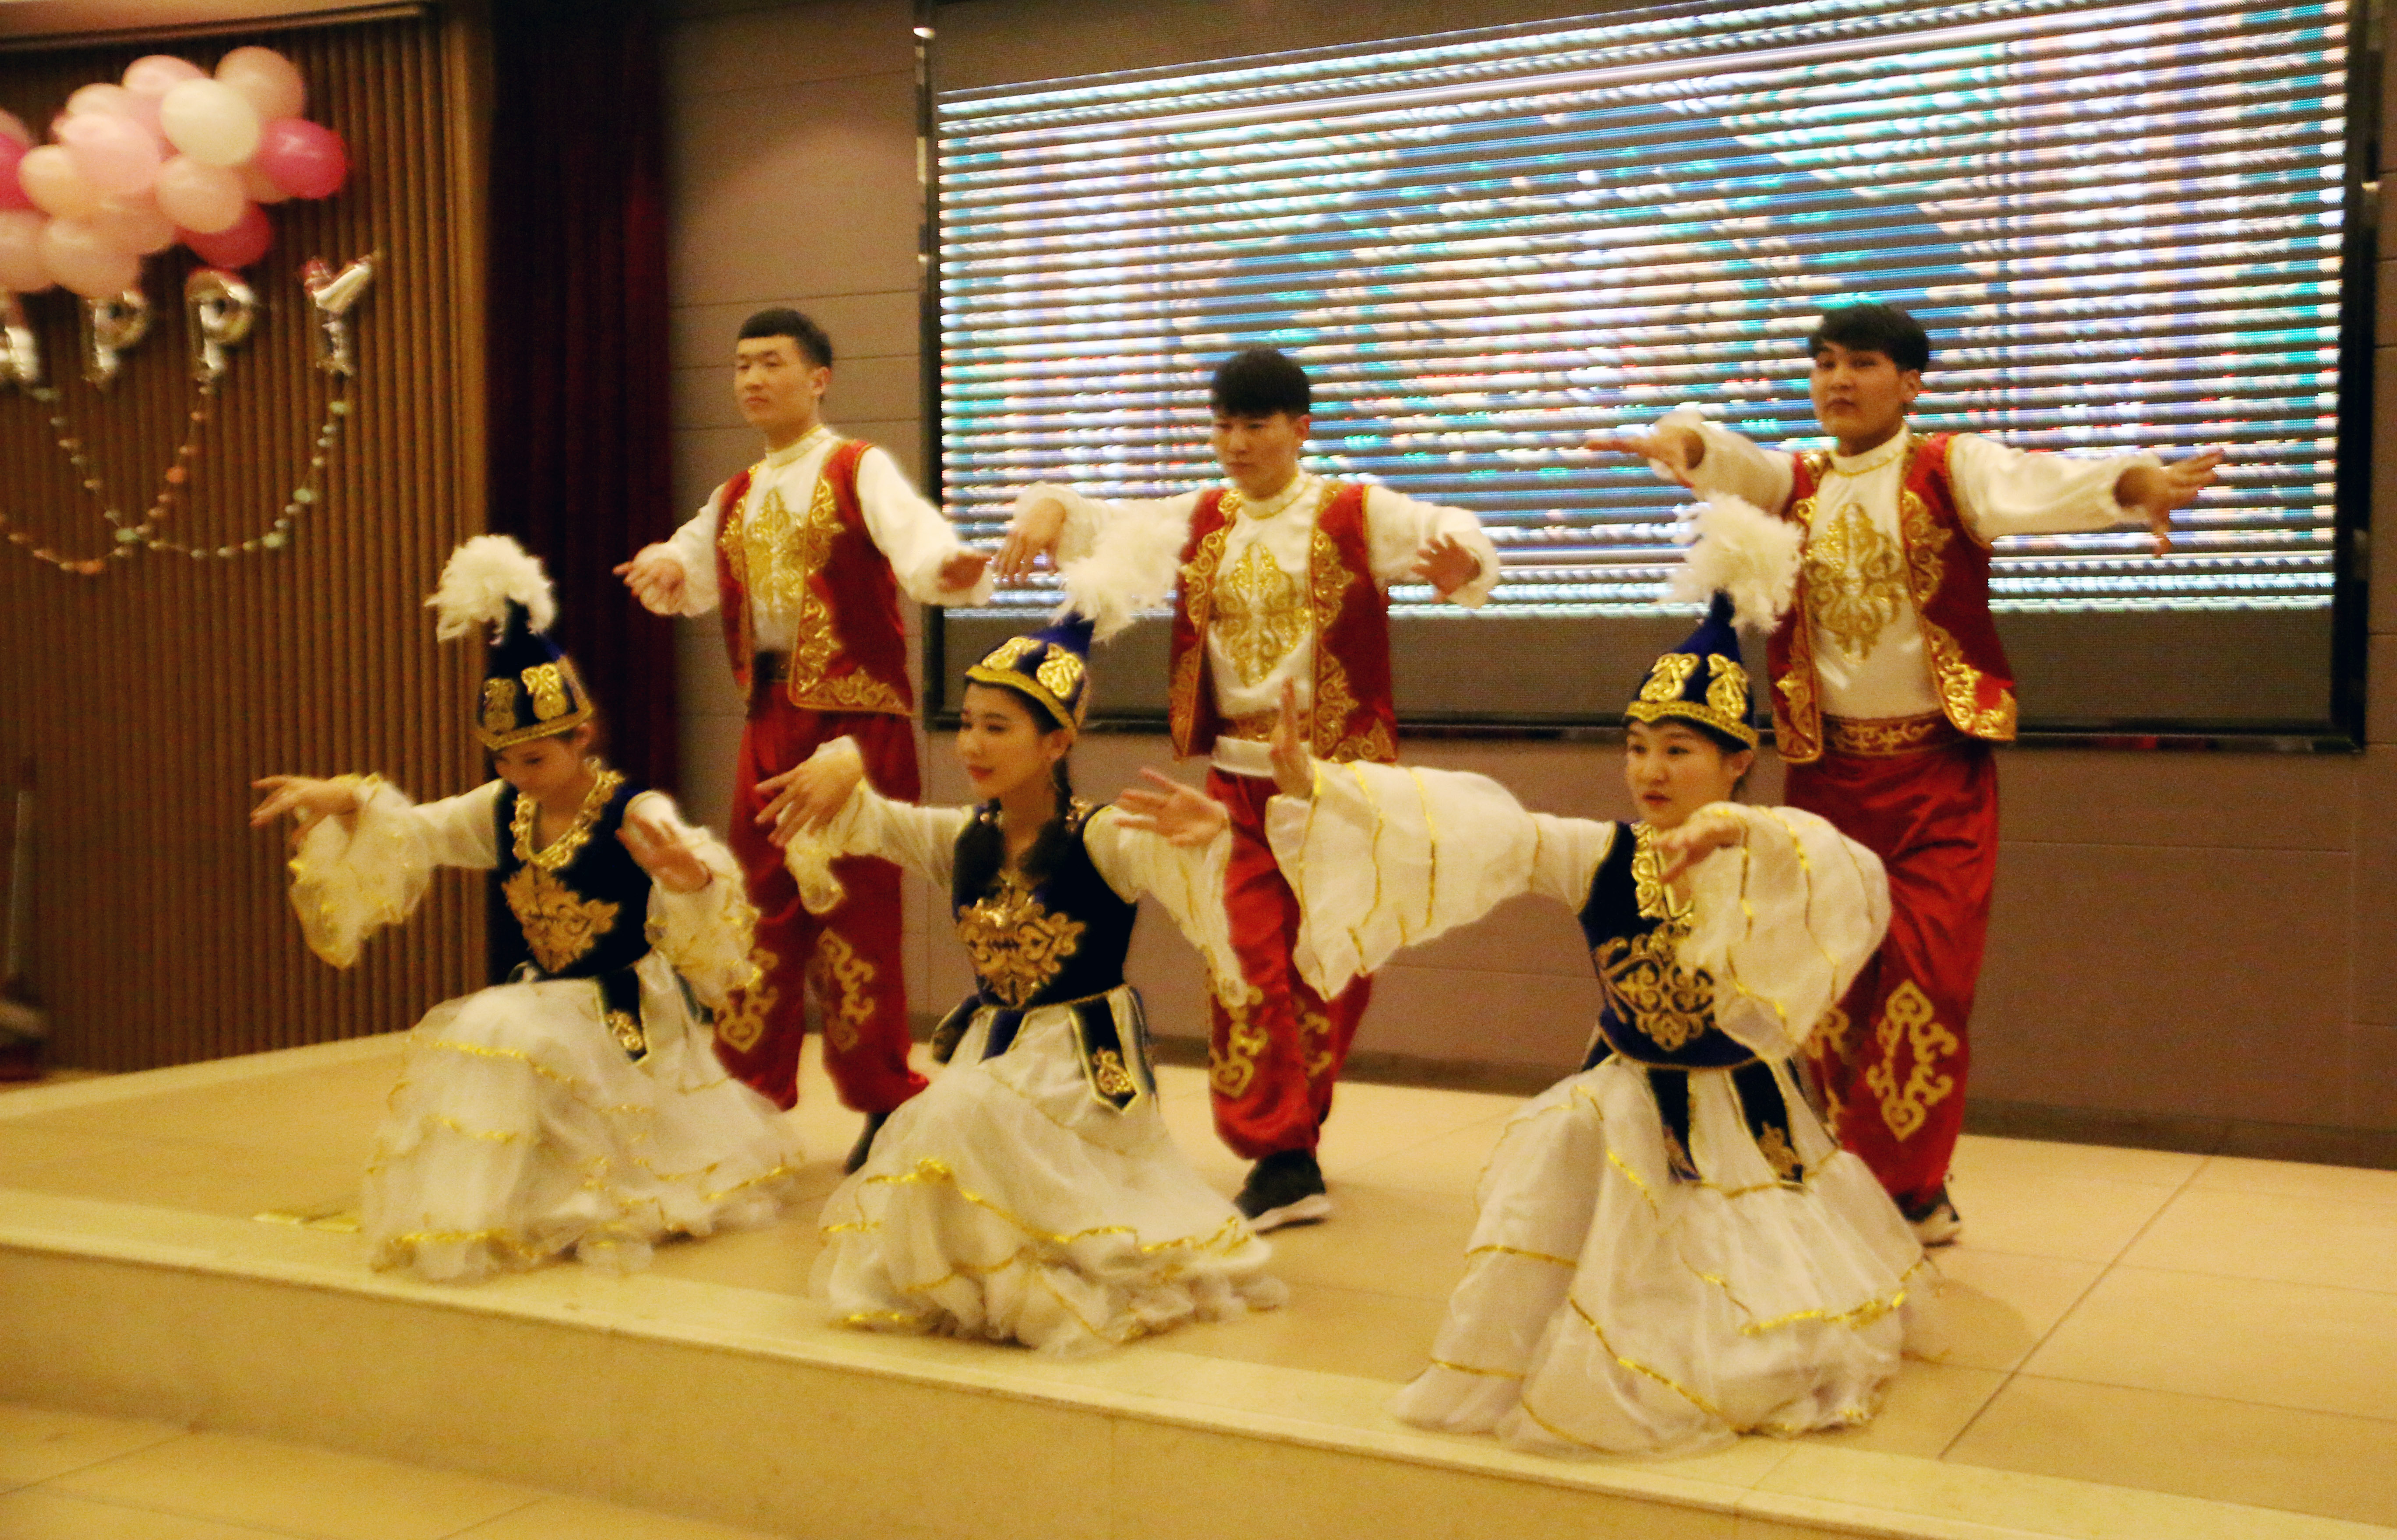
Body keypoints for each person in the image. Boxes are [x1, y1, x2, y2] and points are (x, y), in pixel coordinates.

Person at [1254, 505, 1920, 1454]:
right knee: (1602, 1223)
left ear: (1737, 762)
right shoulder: (1598, 854)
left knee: (1751, 1276)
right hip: (1626, 1090)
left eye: (1679, 750)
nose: (1651, 770)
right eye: (1638, 747)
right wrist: (1322, 785)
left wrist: (1739, 829)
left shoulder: (1771, 852)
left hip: (1739, 1104)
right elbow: (1473, 828)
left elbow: (1846, 875)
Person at [1589, 301, 2224, 1242]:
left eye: (1863, 363)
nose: (1838, 381)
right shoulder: (1799, 481)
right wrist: (1685, 442)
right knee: (1831, 982)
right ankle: (1863, 1174)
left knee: (1929, 982)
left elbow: (2039, 486)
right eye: (1824, 363)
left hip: (1938, 778)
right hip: (1830, 781)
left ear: (1911, 383)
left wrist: (2135, 484)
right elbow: (1734, 461)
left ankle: (1902, 1192)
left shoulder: (1949, 467)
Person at [991, 345, 1500, 1229]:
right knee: (1244, 957)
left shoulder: (1357, 513)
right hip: (1233, 786)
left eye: (1255, 426)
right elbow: (1105, 525)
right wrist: (1050, 506)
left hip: (1341, 788)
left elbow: (1454, 532)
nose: (1235, 444)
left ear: (1300, 430)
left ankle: (1294, 1142)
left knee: (1330, 969)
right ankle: (1280, 1155)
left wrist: (1467, 569)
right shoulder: (1200, 517)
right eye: (1223, 426)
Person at [251, 537, 800, 1282]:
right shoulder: (504, 806)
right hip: (549, 994)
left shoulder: (631, 810)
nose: (519, 775)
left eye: (534, 759)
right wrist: (347, 798)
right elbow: (416, 832)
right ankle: (493, 1205)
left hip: (626, 1006)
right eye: (504, 760)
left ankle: (565, 1195)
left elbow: (707, 885)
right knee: (493, 1029)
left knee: (495, 1025)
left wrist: (690, 880)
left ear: (582, 737)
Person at [759, 619, 1284, 1353]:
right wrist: (844, 755)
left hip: (1081, 1067)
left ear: (1056, 744)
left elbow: (1194, 871)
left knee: (958, 1114)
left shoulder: (1105, 836)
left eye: (997, 727)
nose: (972, 745)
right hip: (997, 1052)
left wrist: (1218, 835)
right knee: (954, 1121)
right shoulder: (963, 838)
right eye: (968, 723)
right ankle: (977, 1275)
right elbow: (864, 818)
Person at [616, 308, 992, 1172]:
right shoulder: (737, 493)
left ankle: (885, 1099)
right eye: (741, 365)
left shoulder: (859, 467)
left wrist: (950, 569)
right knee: (757, 913)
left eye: (771, 363)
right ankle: (749, 1097)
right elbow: (691, 560)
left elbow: (919, 544)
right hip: (770, 718)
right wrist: (667, 563)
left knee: (857, 917)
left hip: (856, 726)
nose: (751, 379)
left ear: (818, 379)